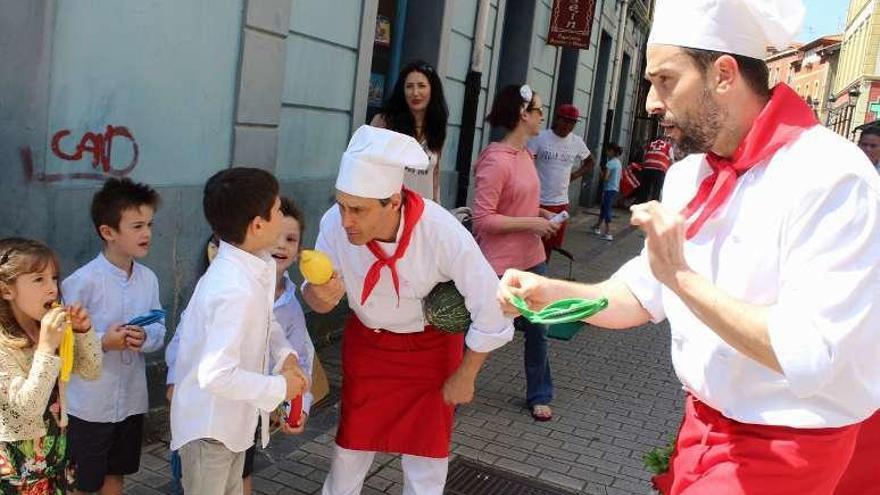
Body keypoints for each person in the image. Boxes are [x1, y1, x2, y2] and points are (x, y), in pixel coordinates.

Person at [497, 0, 880, 493]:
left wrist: (681, 276)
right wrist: (547, 293)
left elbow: (809, 352)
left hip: (790, 449)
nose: (651, 104)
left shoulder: (832, 175)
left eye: (666, 80)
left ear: (723, 74)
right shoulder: (688, 176)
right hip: (700, 429)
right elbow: (639, 295)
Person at [303, 125, 513, 495]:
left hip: (431, 352)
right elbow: (318, 299)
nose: (345, 220)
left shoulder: (440, 231)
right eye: (340, 204)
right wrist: (320, 296)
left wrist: (467, 374)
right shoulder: (333, 225)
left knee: (427, 457)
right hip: (369, 347)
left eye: (358, 209)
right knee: (350, 448)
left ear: (394, 202)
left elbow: (491, 304)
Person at [169, 168, 308, 495]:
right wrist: (278, 387)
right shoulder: (232, 288)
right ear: (258, 225)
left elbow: (266, 322)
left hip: (232, 425)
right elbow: (215, 375)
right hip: (209, 431)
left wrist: (285, 356)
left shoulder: (254, 264)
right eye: (276, 211)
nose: (281, 216)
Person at [60, 178, 165, 495]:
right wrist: (104, 341)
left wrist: (144, 337)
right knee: (82, 482)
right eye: (136, 226)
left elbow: (159, 328)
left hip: (131, 401)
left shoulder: (148, 279)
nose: (146, 233)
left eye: (149, 224)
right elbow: (63, 346)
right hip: (88, 406)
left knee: (116, 475)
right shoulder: (82, 282)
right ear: (108, 232)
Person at [473, 84, 559, 422]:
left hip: (533, 260)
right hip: (499, 267)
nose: (542, 117)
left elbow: (518, 202)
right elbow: (483, 218)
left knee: (540, 329)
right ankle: (453, 386)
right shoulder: (495, 160)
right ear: (523, 115)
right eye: (538, 111)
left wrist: (540, 214)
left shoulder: (525, 154)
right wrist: (530, 222)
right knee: (483, 331)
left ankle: (539, 394)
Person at [0, 237, 102, 493]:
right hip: (16, 469)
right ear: (6, 290)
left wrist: (82, 332)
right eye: (38, 280)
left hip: (55, 458)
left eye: (54, 278)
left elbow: (91, 370)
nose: (52, 289)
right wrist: (46, 348)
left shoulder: (47, 330)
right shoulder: (4, 346)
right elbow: (27, 410)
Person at [371, 60, 449, 202]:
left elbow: (435, 174)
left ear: (432, 90)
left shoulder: (436, 127)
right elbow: (370, 167)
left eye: (421, 86)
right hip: (392, 211)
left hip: (424, 211)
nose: (415, 93)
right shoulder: (384, 122)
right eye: (409, 86)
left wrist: (438, 209)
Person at [527, 103, 595, 259]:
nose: (568, 125)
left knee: (550, 245)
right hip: (538, 201)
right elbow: (526, 161)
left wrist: (575, 175)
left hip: (560, 203)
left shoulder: (576, 142)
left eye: (572, 122)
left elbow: (591, 162)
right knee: (531, 242)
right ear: (557, 119)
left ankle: (541, 275)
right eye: (565, 121)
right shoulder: (540, 137)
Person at [590, 143, 623, 241]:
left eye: (608, 151)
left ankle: (608, 232)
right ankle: (597, 226)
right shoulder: (618, 162)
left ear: (612, 151)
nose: (606, 153)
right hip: (614, 188)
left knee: (607, 209)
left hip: (608, 189)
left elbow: (605, 178)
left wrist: (600, 171)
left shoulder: (610, 163)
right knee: (604, 208)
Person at [637, 136, 674, 202]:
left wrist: (643, 167)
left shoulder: (650, 144)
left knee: (644, 189)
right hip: (659, 170)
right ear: (665, 140)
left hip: (647, 169)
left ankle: (641, 205)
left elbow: (644, 156)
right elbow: (671, 160)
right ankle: (652, 208)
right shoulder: (668, 146)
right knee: (656, 190)